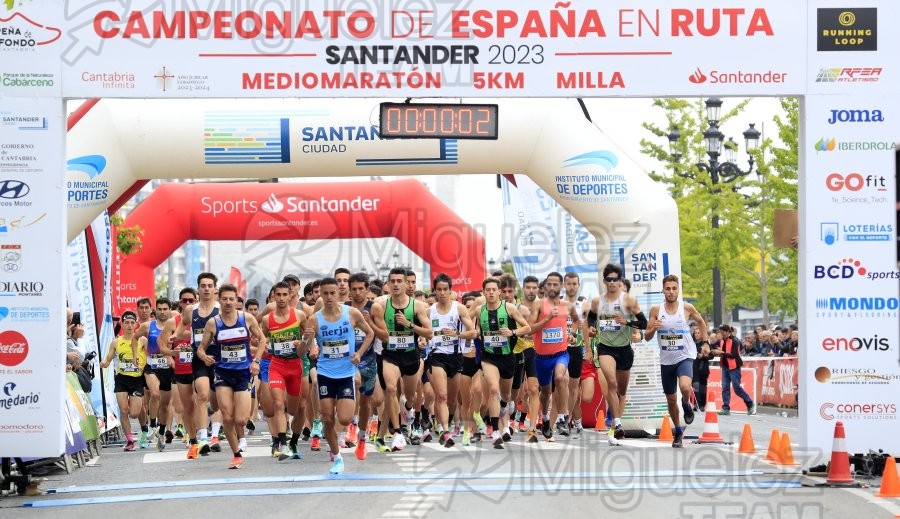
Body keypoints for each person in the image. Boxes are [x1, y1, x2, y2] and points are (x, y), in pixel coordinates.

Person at [304, 277, 374, 474]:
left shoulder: (351, 313)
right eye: (324, 293)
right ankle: (336, 457)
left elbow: (370, 334)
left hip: (346, 373)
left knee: (343, 419)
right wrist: (308, 342)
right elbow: (303, 351)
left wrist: (359, 354)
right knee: (327, 418)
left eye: (332, 293)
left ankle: (355, 434)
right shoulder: (314, 319)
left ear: (339, 294)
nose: (328, 297)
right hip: (325, 372)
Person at [197, 283, 266, 469]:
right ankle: (236, 455)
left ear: (237, 301)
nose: (228, 302)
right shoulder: (214, 323)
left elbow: (263, 340)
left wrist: (256, 361)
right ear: (219, 300)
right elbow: (201, 348)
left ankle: (239, 434)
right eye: (224, 299)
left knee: (240, 420)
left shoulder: (247, 318)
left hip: (243, 373)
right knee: (227, 417)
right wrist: (204, 356)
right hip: (222, 373)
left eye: (231, 299)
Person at [371, 268, 433, 452]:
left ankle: (407, 413)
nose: (396, 284)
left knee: (410, 396)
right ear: (388, 284)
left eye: (400, 281)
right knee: (391, 390)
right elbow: (382, 335)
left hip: (411, 356)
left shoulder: (417, 306)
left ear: (407, 284)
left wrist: (409, 325)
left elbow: (429, 332)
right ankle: (397, 432)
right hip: (390, 354)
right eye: (393, 281)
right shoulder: (381, 305)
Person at [644, 275, 709, 448]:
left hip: (684, 355)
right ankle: (678, 430)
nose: (671, 292)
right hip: (667, 360)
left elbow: (702, 323)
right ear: (663, 290)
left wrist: (706, 343)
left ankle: (687, 404)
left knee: (685, 387)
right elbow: (647, 336)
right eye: (668, 288)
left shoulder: (686, 308)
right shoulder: (656, 310)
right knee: (671, 399)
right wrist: (653, 328)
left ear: (678, 289)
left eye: (674, 288)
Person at [585, 264, 646, 445]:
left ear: (620, 281)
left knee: (621, 390)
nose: (612, 283)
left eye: (615, 280)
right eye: (609, 280)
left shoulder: (628, 300)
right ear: (604, 281)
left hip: (624, 350)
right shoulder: (598, 301)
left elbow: (643, 323)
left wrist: (626, 322)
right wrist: (591, 328)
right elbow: (591, 317)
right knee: (610, 382)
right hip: (605, 348)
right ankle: (617, 423)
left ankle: (614, 426)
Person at [473, 276, 530, 449]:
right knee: (492, 389)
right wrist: (475, 333)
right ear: (483, 292)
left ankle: (505, 406)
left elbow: (526, 328)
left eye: (493, 290)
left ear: (499, 292)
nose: (491, 293)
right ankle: (496, 431)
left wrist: (512, 332)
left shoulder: (509, 308)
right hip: (489, 357)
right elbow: (474, 328)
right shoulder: (478, 310)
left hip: (508, 357)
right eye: (487, 290)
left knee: (506, 397)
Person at [258, 281, 309, 461]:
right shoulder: (267, 319)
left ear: (290, 296)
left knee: (296, 409)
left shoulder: (300, 316)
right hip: (276, 365)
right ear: (273, 297)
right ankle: (282, 443)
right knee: (278, 404)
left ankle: (294, 440)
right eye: (277, 295)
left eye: (284, 295)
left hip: (295, 365)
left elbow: (309, 338)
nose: (280, 298)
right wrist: (264, 347)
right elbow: (260, 338)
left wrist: (302, 343)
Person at [529, 272, 580, 441]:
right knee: (545, 393)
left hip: (561, 353)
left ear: (562, 286)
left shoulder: (568, 305)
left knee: (560, 378)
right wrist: (547, 318)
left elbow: (576, 320)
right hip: (542, 357)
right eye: (549, 285)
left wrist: (572, 333)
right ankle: (544, 418)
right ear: (545, 287)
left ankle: (562, 418)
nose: (551, 288)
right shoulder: (538, 304)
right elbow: (530, 329)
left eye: (555, 285)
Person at [100, 310, 147, 451]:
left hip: (137, 379)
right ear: (122, 323)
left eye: (132, 323)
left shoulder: (142, 340)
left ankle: (144, 429)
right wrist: (104, 363)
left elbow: (151, 354)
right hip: (121, 379)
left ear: (136, 324)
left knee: (134, 413)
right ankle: (130, 440)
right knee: (124, 410)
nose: (129, 325)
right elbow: (108, 360)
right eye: (126, 322)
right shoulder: (116, 342)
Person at [145, 297, 175, 451]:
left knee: (164, 405)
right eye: (160, 309)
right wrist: (138, 355)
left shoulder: (176, 326)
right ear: (155, 310)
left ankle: (161, 432)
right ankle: (151, 424)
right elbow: (135, 338)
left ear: (169, 309)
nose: (162, 312)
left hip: (169, 369)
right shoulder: (148, 326)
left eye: (165, 309)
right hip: (151, 366)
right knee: (155, 394)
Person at [711, 324, 757, 416]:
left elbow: (734, 355)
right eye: (720, 332)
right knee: (725, 387)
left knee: (736, 388)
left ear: (728, 331)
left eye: (723, 332)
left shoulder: (735, 341)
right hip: (725, 366)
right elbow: (725, 353)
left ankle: (750, 403)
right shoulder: (722, 341)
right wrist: (719, 353)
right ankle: (725, 408)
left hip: (734, 367)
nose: (721, 334)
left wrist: (721, 352)